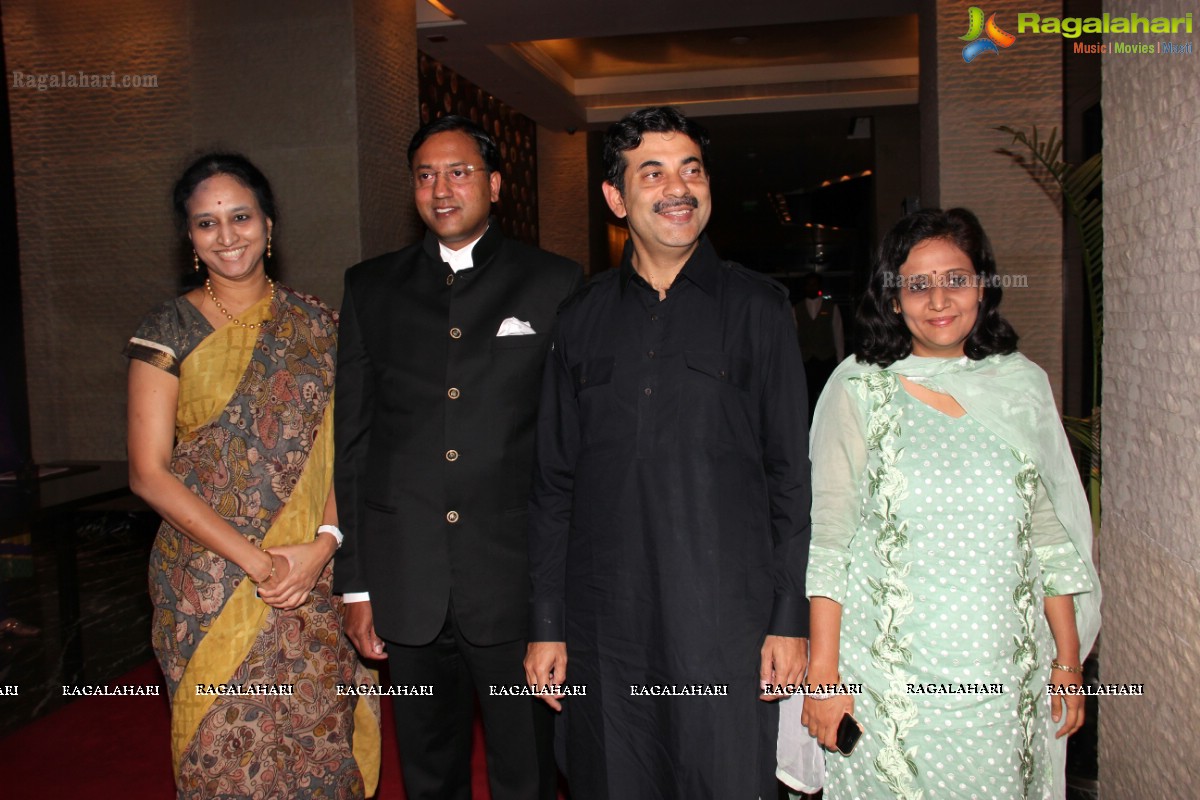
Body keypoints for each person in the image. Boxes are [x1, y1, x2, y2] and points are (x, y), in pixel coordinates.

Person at [524, 106, 812, 799]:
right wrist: (546, 625)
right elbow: (552, 483)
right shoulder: (580, 319)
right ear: (617, 199)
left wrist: (788, 620)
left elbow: (791, 480)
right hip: (605, 628)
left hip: (726, 624)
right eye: (652, 174)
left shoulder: (760, 310)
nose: (678, 188)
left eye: (692, 170)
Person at [783, 208, 1101, 799]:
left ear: (982, 285)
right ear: (893, 298)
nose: (939, 300)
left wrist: (1068, 663)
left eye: (955, 278)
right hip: (888, 688)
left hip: (1006, 682)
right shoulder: (859, 388)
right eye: (918, 284)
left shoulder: (1020, 385)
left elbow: (1049, 539)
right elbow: (830, 542)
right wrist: (823, 680)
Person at [333, 116, 583, 800]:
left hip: (514, 585)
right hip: (406, 583)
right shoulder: (370, 289)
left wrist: (557, 604)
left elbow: (570, 450)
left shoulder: (555, 283)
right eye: (425, 175)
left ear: (495, 184)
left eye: (460, 172)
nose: (441, 189)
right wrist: (356, 587)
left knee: (525, 771)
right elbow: (352, 444)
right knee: (428, 770)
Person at [126, 153, 380, 798]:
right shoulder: (167, 330)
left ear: (269, 225)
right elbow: (149, 474)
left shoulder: (321, 326)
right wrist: (260, 564)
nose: (227, 235)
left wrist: (323, 545)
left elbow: (345, 450)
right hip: (207, 583)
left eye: (240, 216)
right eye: (206, 223)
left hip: (312, 574)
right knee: (223, 756)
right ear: (189, 238)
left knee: (318, 746)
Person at [793, 272, 844, 423]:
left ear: (819, 286)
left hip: (826, 359)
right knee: (807, 399)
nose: (811, 287)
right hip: (806, 360)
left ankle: (828, 424)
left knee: (828, 397)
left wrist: (839, 361)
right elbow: (793, 337)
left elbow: (838, 333)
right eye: (809, 284)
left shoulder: (831, 307)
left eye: (814, 284)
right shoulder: (796, 308)